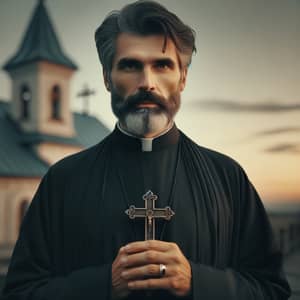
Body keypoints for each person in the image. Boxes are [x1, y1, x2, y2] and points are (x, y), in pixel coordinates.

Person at [1, 1, 291, 299]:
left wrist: (198, 282)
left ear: (183, 78)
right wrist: (102, 285)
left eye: (162, 65)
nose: (147, 83)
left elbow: (272, 290)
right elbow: (20, 292)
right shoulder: (63, 180)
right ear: (107, 78)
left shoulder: (227, 178)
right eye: (130, 65)